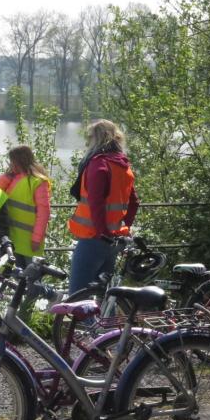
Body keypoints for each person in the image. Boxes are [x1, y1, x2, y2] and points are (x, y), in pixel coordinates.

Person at [68, 119, 139, 294]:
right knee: (105, 296)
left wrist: (102, 232)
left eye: (89, 137)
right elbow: (134, 202)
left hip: (94, 238)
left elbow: (96, 202)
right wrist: (124, 227)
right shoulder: (123, 165)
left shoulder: (98, 164)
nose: (86, 142)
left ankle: (87, 323)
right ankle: (114, 322)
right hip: (114, 240)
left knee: (77, 296)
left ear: (96, 139)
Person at [0, 146, 51, 269]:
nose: (10, 164)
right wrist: (5, 177)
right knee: (17, 280)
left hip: (30, 242)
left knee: (32, 281)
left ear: (19, 161)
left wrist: (36, 239)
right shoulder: (12, 179)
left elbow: (44, 213)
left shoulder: (38, 182)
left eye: (12, 161)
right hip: (12, 241)